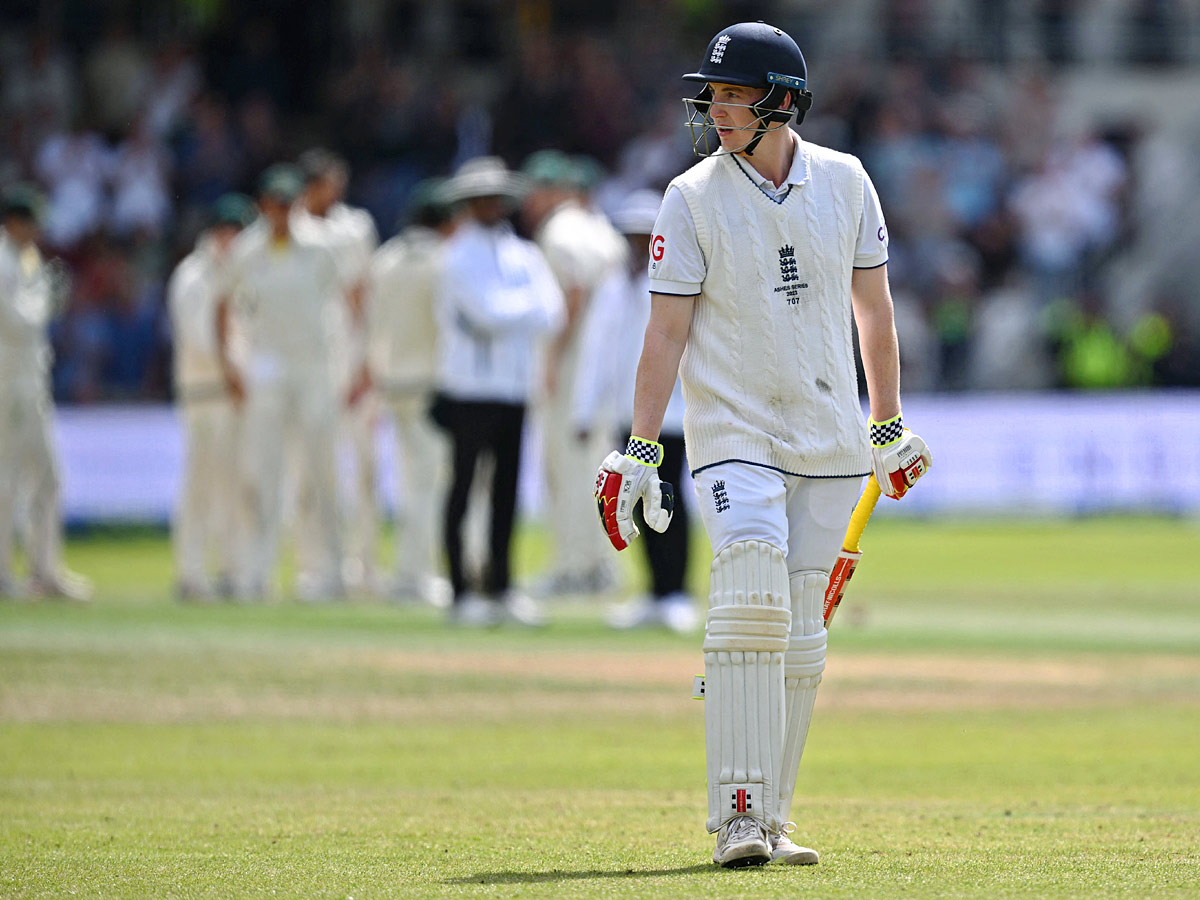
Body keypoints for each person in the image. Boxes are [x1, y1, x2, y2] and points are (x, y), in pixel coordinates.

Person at [592, 22, 932, 868]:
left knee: (803, 637)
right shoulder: (691, 194)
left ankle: (773, 820)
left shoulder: (848, 181)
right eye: (713, 96)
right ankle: (736, 816)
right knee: (749, 602)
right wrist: (640, 447)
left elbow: (875, 312)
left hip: (828, 438)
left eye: (735, 96)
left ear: (783, 101)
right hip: (733, 433)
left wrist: (885, 422)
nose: (716, 110)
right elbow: (665, 331)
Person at [434, 157, 563, 627]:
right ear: (468, 204)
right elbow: (485, 314)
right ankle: (460, 591)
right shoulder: (456, 255)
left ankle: (502, 585)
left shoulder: (523, 253)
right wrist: (521, 311)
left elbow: (553, 312)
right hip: (469, 387)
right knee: (464, 488)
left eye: (496, 197)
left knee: (507, 491)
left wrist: (514, 313)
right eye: (481, 198)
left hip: (513, 387)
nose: (491, 205)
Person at [215, 164, 348, 601]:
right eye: (275, 203)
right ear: (262, 205)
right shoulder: (247, 250)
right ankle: (258, 572)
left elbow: (340, 305)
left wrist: (342, 366)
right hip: (267, 369)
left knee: (319, 473)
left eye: (289, 203)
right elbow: (224, 308)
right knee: (262, 475)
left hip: (313, 368)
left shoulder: (320, 245)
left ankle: (327, 572)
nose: (283, 212)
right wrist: (233, 365)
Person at [573, 190, 696, 633]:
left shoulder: (677, 280)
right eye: (630, 236)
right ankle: (652, 593)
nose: (637, 245)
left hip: (674, 413)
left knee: (671, 500)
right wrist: (585, 411)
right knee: (637, 501)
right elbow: (596, 352)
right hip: (629, 416)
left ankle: (676, 591)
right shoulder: (612, 286)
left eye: (644, 236)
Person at [520, 150, 622, 598]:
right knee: (601, 468)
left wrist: (551, 357)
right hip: (608, 369)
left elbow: (574, 293)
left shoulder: (557, 232)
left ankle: (571, 569)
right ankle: (601, 567)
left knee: (567, 469)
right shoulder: (603, 229)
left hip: (574, 367)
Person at [292, 149, 381, 593]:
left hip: (351, 361)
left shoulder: (355, 227)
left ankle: (365, 565)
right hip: (310, 365)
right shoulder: (290, 230)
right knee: (310, 471)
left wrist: (366, 364)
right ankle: (318, 566)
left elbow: (364, 297)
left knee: (362, 469)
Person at [0, 183, 92, 602]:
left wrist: (44, 296)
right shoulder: (2, 261)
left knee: (48, 476)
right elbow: (17, 322)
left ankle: (45, 570)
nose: (39, 233)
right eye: (33, 224)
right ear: (14, 223)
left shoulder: (26, 259)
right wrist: (48, 300)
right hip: (7, 383)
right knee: (6, 478)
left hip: (32, 380)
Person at [366, 179, 455, 606]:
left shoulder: (384, 260)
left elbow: (370, 323)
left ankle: (408, 571)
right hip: (430, 386)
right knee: (430, 482)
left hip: (392, 384)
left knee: (409, 480)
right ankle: (419, 575)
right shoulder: (442, 262)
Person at [168, 192, 256, 600]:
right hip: (205, 394)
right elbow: (201, 339)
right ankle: (190, 574)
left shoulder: (236, 273)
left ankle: (231, 571)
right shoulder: (193, 276)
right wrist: (237, 370)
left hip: (233, 396)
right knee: (200, 485)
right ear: (221, 233)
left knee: (233, 487)